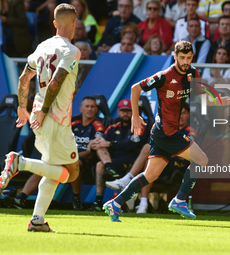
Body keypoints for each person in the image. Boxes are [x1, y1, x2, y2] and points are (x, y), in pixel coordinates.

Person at [101, 40, 230, 222]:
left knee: (150, 175)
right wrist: (135, 116)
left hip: (161, 133)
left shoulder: (193, 73)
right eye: (182, 58)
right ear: (175, 57)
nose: (186, 61)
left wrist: (218, 101)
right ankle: (179, 200)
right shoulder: (164, 76)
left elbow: (201, 97)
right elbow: (135, 88)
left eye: (189, 57)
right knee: (202, 160)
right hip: (167, 132)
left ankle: (115, 203)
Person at [0, 4, 80, 232]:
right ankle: (19, 162)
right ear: (74, 23)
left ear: (54, 24)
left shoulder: (42, 46)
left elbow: (25, 79)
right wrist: (46, 109)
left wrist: (22, 108)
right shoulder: (71, 50)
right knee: (71, 173)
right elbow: (56, 82)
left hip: (37, 115)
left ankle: (37, 220)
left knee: (52, 169)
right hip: (55, 118)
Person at [5, 96, 105, 210]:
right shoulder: (72, 123)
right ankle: (21, 198)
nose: (90, 109)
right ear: (81, 108)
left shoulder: (98, 125)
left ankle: (76, 200)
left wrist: (67, 156)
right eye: (87, 106)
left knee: (72, 164)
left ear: (96, 110)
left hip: (84, 159)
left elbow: (90, 153)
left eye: (92, 107)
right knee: (45, 166)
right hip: (64, 155)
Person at [87, 99, 148, 211]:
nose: (125, 114)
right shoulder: (113, 127)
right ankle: (97, 202)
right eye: (123, 111)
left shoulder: (138, 125)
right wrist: (94, 142)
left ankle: (113, 170)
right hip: (114, 160)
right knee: (100, 162)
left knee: (104, 145)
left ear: (134, 112)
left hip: (132, 160)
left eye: (128, 111)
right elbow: (103, 141)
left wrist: (110, 143)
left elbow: (131, 145)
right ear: (118, 112)